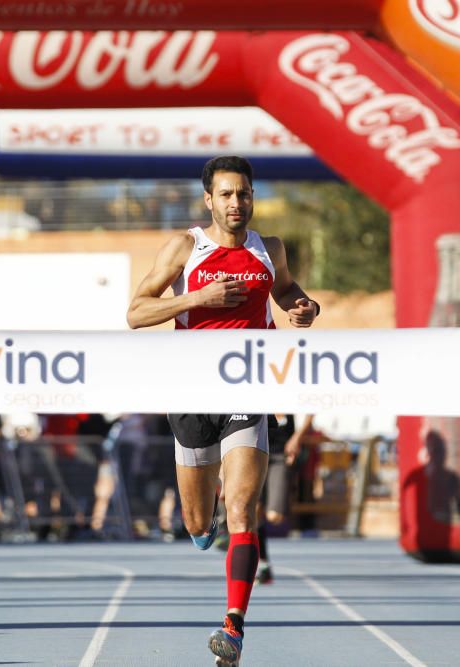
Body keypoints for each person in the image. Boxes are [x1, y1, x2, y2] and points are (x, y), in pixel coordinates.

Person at [127, 155, 319, 666]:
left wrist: (304, 307)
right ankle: (199, 526)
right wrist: (199, 297)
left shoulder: (269, 249)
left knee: (241, 508)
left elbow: (286, 292)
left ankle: (233, 626)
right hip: (191, 395)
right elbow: (135, 312)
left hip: (248, 390)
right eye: (228, 194)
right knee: (197, 522)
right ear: (209, 199)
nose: (238, 203)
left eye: (245, 193)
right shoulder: (185, 249)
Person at [255, 413, 312, 584]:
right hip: (254, 452)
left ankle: (245, 544)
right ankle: (261, 564)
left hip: (281, 455)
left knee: (275, 516)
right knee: (252, 513)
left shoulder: (290, 388)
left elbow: (310, 410)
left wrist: (297, 438)